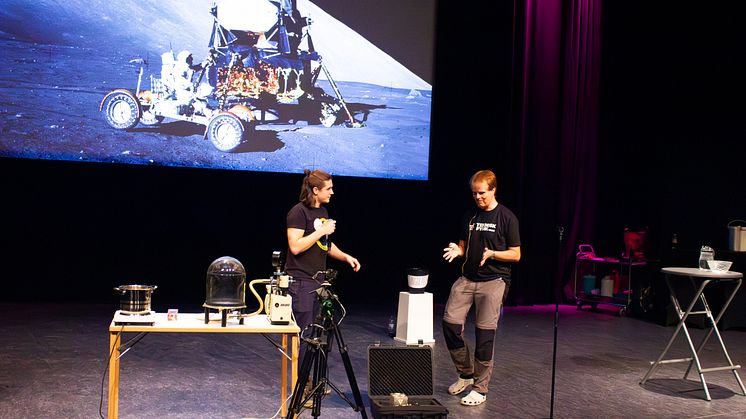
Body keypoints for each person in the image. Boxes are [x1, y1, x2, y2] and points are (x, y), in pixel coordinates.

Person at [441, 169, 521, 407]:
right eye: (475, 193)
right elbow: (465, 246)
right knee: (450, 324)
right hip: (467, 279)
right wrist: (459, 251)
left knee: (484, 334)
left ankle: (480, 388)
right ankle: (466, 374)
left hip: (494, 281)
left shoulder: (507, 218)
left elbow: (516, 254)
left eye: (482, 193)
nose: (478, 198)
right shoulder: (470, 215)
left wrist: (494, 253)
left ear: (494, 190)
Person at [285, 169, 361, 338]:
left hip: (318, 282)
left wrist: (346, 256)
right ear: (316, 190)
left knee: (316, 337)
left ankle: (313, 366)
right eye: (328, 189)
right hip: (301, 283)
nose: (332, 192)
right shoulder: (298, 212)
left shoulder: (322, 212)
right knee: (303, 336)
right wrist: (322, 231)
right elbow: (295, 246)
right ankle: (299, 366)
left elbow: (324, 244)